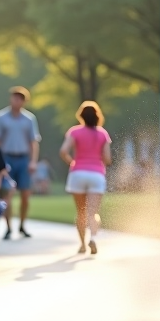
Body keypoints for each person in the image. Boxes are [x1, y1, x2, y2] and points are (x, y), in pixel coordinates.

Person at [60, 100, 111, 255]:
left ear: (80, 116)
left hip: (78, 173)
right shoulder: (102, 134)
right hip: (96, 174)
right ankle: (93, 238)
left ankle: (82, 245)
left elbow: (63, 151)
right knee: (92, 212)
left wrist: (73, 162)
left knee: (81, 211)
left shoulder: (74, 132)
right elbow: (108, 159)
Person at [0, 86, 41, 239]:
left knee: (25, 194)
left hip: (24, 158)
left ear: (24, 101)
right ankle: (8, 227)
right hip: (6, 158)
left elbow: (33, 142)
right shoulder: (1, 117)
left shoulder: (29, 119)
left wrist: (33, 161)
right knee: (6, 193)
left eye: (20, 98)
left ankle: (22, 225)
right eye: (14, 97)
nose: (17, 101)